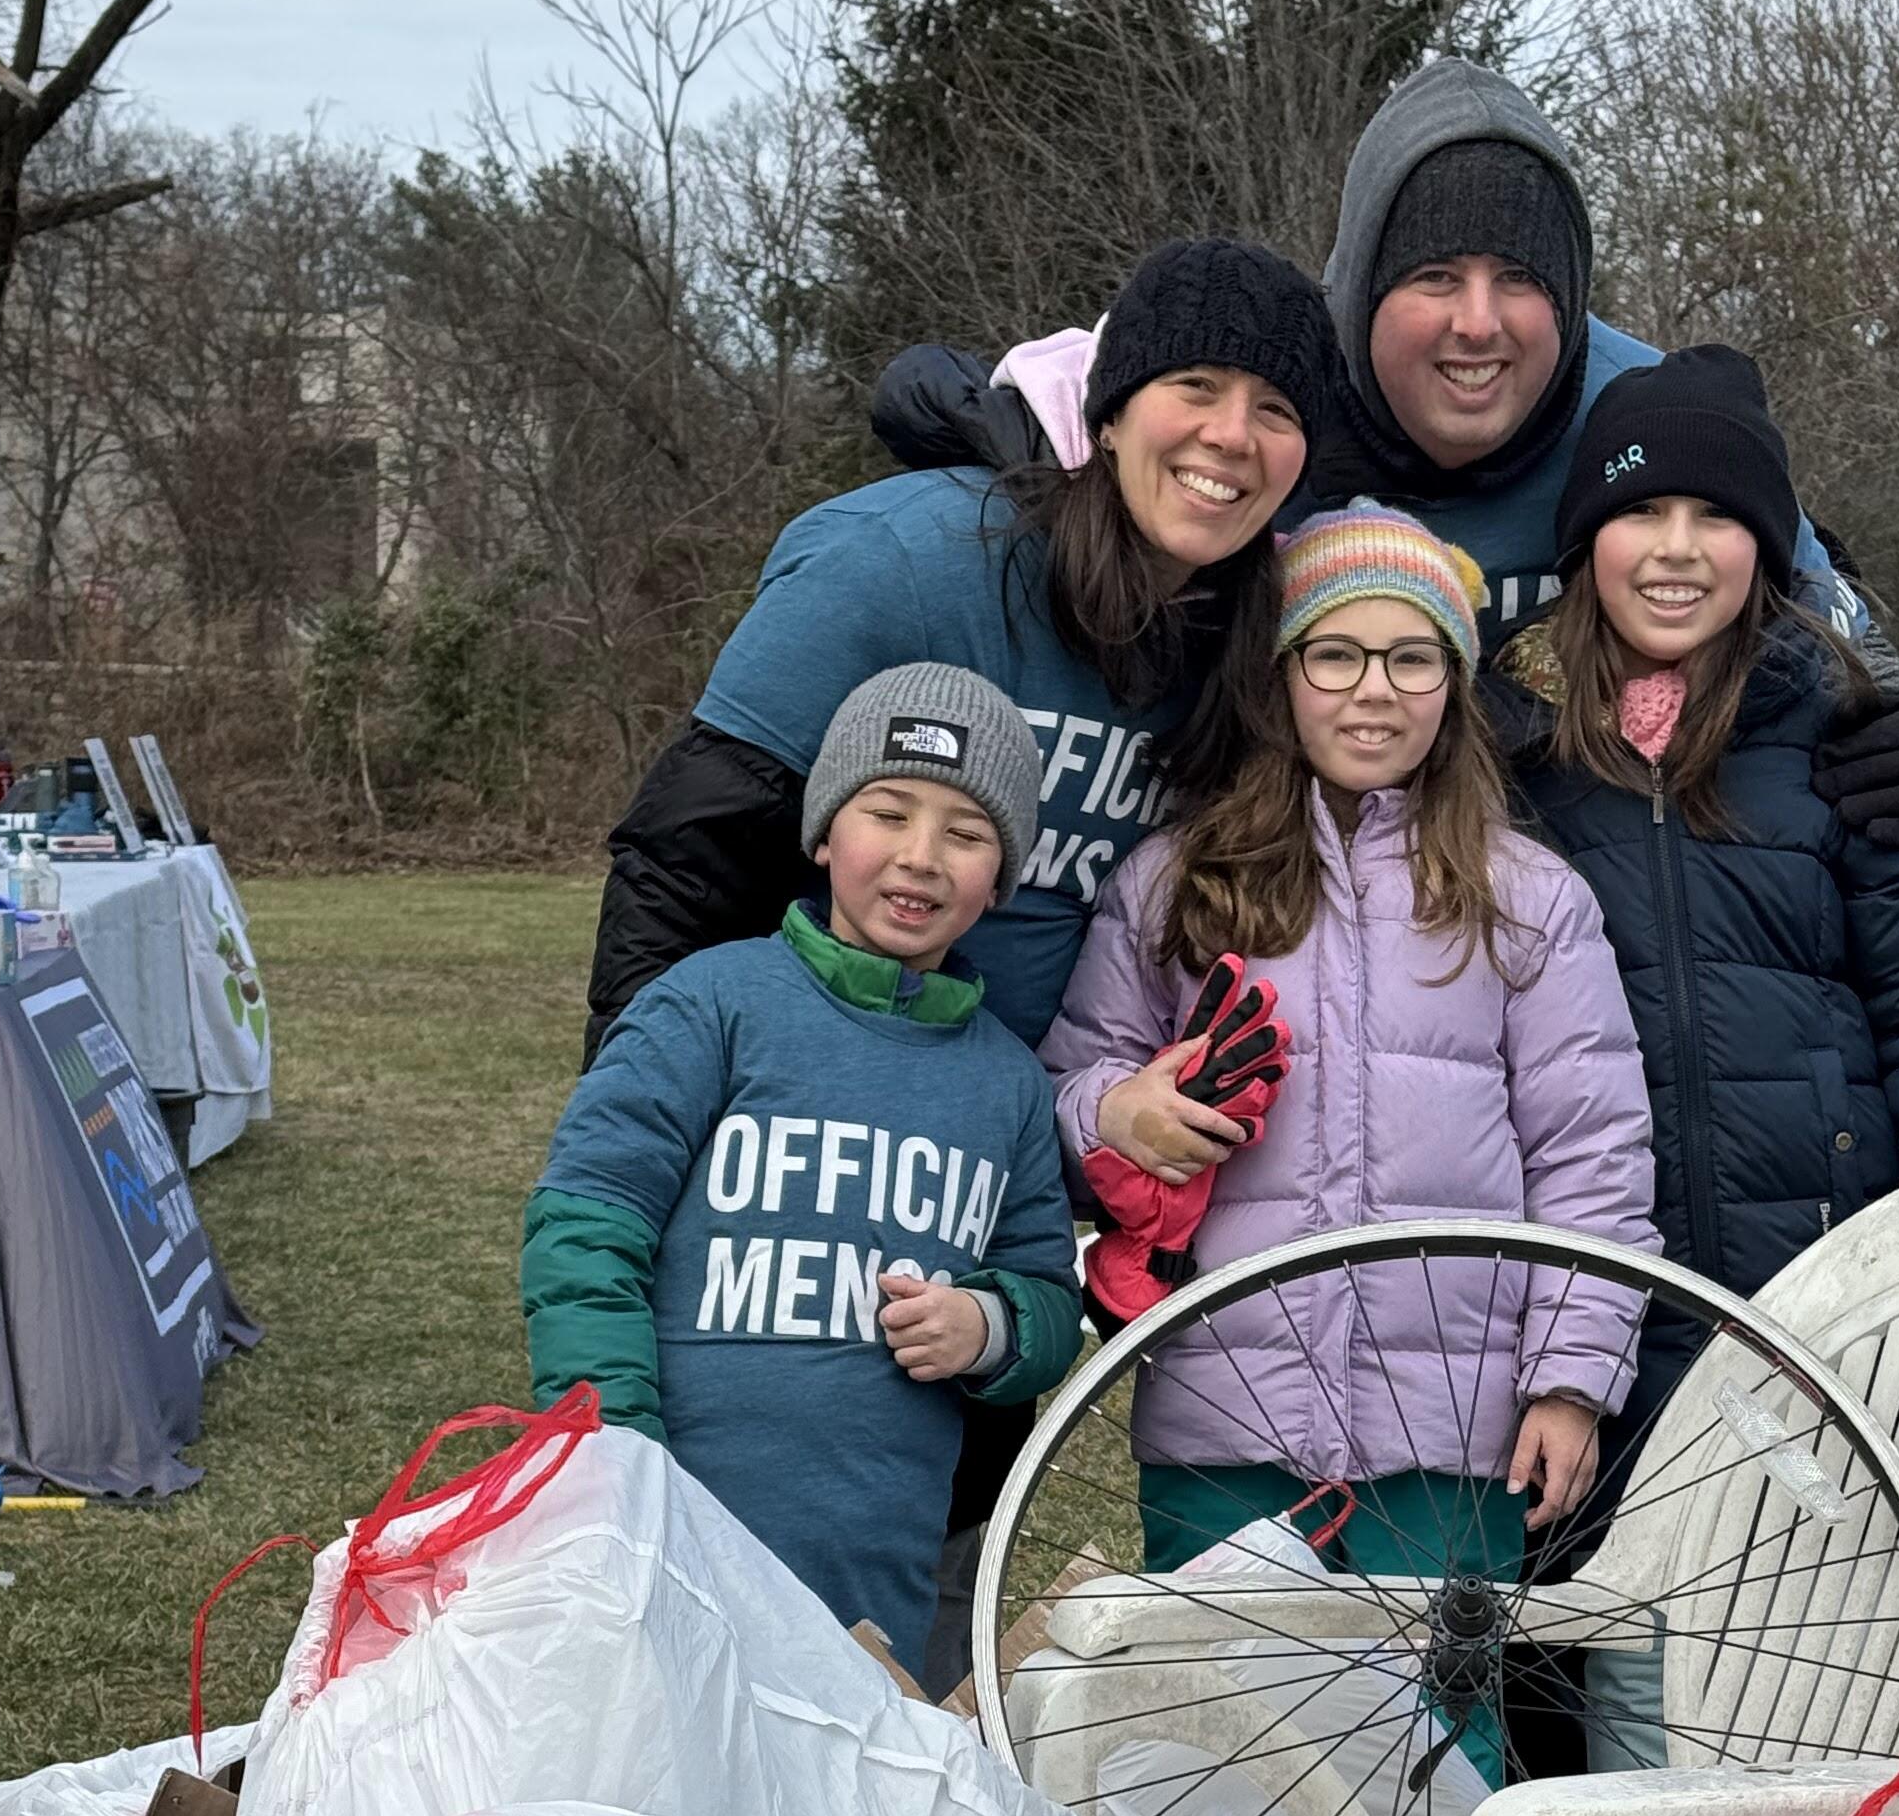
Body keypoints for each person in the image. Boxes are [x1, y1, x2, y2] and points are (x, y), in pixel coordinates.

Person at [869, 55, 1899, 853]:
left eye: (1523, 281)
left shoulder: (1641, 411)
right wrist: (1006, 442)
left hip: (1581, 922)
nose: (1478, 325)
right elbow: (1082, 395)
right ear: (1358, 292)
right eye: (1434, 278)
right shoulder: (1271, 401)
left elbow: (1821, 610)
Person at [1490, 346, 1899, 1759]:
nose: (1675, 552)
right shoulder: (1523, 774)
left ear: (1769, 548)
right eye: (1639, 516)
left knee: (1812, 1684)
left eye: (1716, 519)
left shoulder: (1845, 747)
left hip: (1818, 1306)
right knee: (1605, 1691)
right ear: (1582, 544)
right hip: (1608, 1313)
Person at [1043, 501, 1657, 1686]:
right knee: (1213, 1740)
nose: (1373, 689)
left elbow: (1595, 1160)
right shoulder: (1177, 885)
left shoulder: (1530, 899)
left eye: (1412, 655)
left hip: (1455, 1432)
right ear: (1282, 676)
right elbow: (1068, 1096)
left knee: (1434, 1755)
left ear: (1454, 681)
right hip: (1225, 1417)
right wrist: (1118, 1114)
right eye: (1336, 652)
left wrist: (1573, 1379)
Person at [581, 235, 1340, 1062]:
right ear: (1111, 413)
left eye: (1277, 409)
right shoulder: (909, 556)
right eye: (1196, 385)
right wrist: (637, 1113)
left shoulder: (1266, 635)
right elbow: (687, 861)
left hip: (1031, 1134)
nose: (1233, 435)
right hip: (803, 1099)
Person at [523, 665, 1084, 1675]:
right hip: (660, 1547)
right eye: (889, 813)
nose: (920, 858)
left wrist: (987, 1326)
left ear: (1000, 876)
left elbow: (1047, 1299)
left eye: (965, 833)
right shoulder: (710, 1006)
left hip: (870, 1588)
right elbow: (585, 1229)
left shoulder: (1005, 1082)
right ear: (826, 831)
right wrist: (613, 1457)